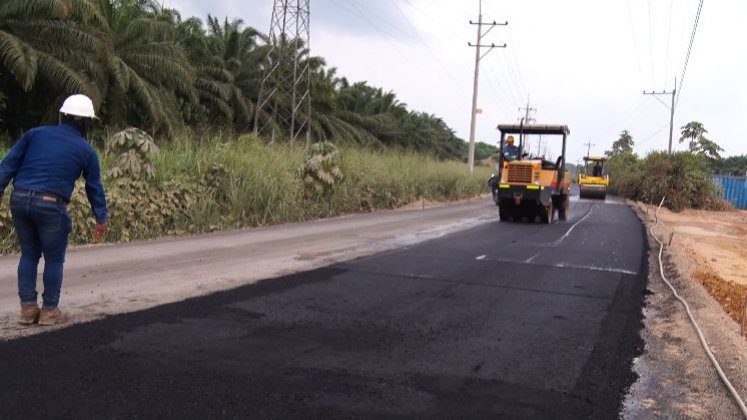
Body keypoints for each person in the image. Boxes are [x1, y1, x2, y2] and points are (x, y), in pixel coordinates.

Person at [0, 94, 108, 326]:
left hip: (19, 198)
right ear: (86, 122)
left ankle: (28, 310)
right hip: (51, 204)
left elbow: (7, 165)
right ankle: (49, 311)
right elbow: (94, 187)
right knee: (54, 259)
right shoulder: (86, 151)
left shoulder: (34, 134)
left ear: (63, 116)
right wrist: (101, 218)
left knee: (29, 254)